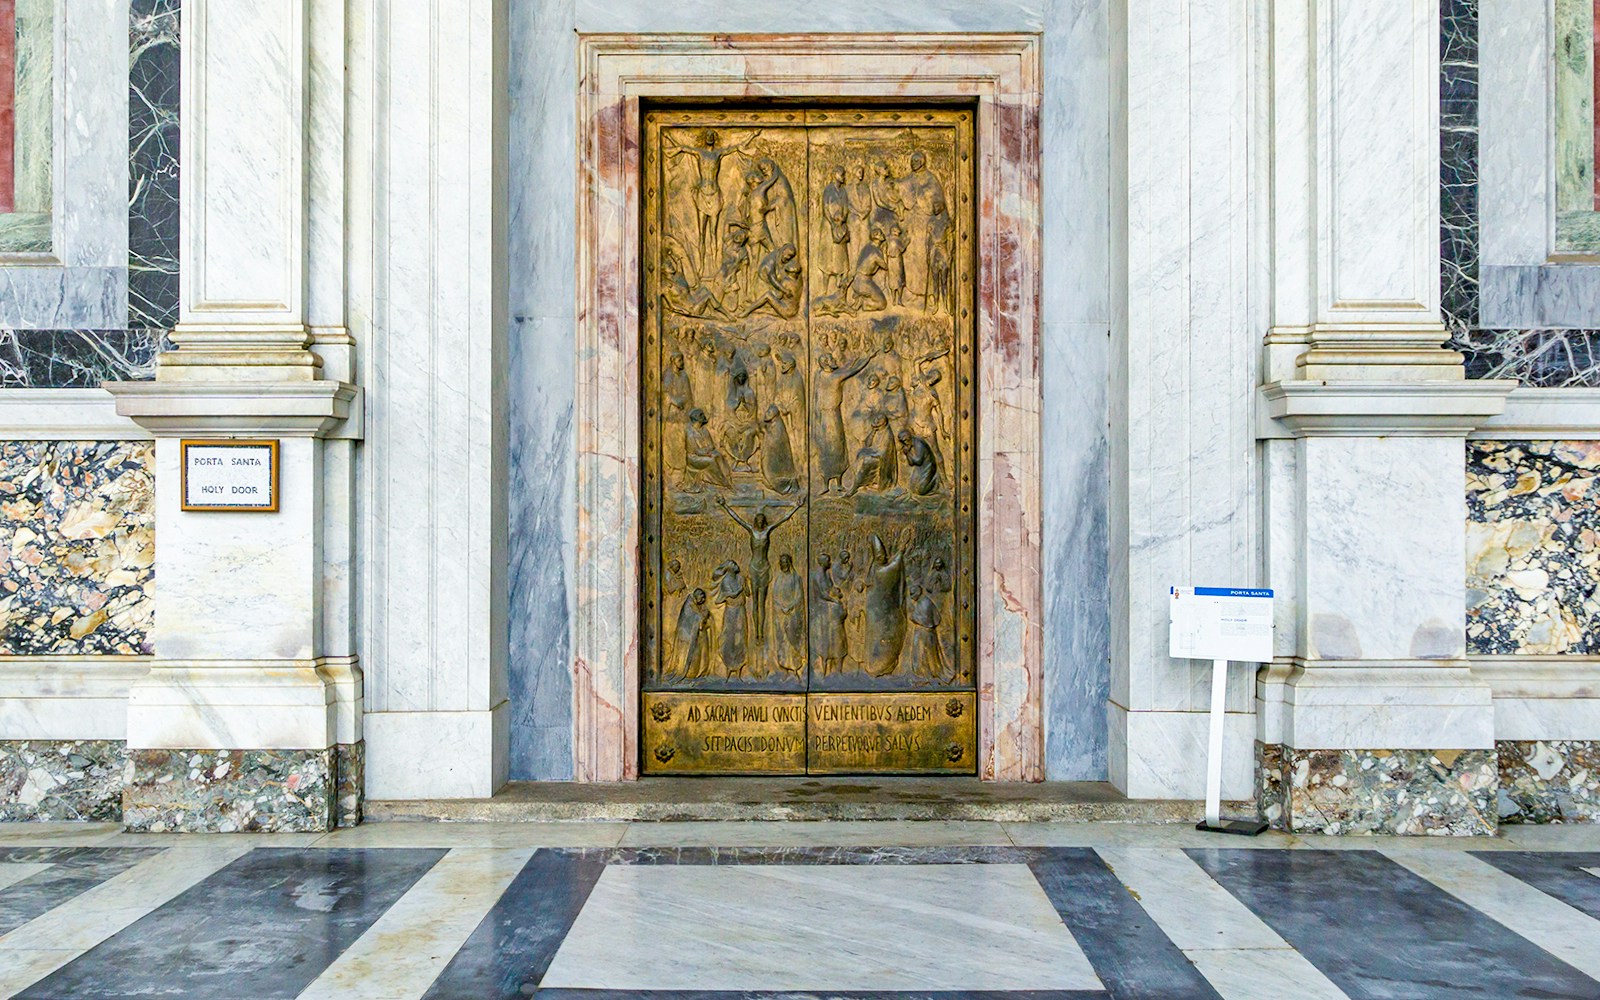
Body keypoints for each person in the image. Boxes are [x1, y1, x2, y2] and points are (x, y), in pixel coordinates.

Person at [716, 495, 805, 645]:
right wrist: (724, 505)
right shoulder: (751, 531)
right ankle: (755, 632)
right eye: (758, 520)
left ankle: (760, 633)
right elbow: (737, 518)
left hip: (764, 568)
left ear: (764, 522)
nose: (760, 522)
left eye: (762, 520)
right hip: (753, 568)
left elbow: (783, 519)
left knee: (761, 603)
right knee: (755, 602)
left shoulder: (767, 531)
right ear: (755, 521)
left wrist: (796, 507)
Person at [711, 560, 749, 678]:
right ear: (728, 568)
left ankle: (739, 666)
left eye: (736, 564)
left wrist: (746, 585)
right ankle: (729, 665)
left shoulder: (741, 578)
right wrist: (741, 588)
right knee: (729, 637)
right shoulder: (726, 580)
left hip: (741, 609)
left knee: (741, 637)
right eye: (733, 565)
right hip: (731, 610)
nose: (736, 565)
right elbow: (732, 594)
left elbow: (747, 593)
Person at [771, 553, 805, 678]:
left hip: (792, 614)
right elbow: (775, 596)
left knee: (793, 640)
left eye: (785, 562)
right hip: (781, 614)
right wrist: (781, 607)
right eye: (781, 562)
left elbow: (799, 595)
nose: (783, 564)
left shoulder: (795, 577)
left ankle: (795, 668)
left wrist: (790, 606)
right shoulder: (778, 578)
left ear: (789, 563)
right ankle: (785, 668)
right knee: (783, 641)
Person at [672, 587, 713, 681]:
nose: (702, 600)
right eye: (701, 598)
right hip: (686, 635)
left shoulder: (694, 604)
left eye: (704, 599)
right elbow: (696, 617)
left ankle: (698, 671)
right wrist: (704, 615)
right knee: (689, 653)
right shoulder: (689, 604)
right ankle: (688, 671)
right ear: (697, 595)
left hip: (691, 634)